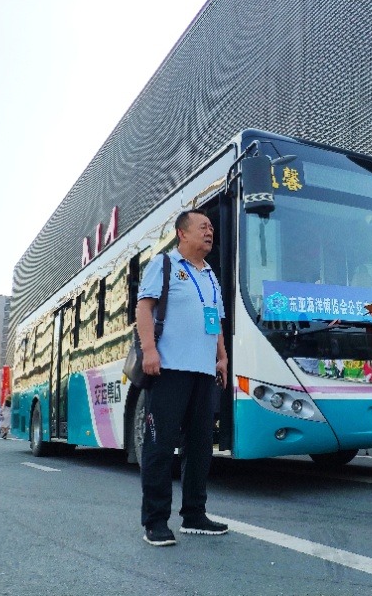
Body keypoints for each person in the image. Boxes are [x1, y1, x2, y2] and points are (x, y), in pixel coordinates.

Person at [136, 209, 229, 547]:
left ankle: (194, 515)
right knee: (160, 447)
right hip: (169, 370)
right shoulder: (165, 265)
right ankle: (155, 521)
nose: (210, 232)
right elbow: (144, 308)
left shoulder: (211, 276)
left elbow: (215, 320)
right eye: (203, 226)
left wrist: (221, 356)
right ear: (182, 233)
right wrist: (149, 350)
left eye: (212, 228)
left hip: (204, 375)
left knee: (201, 447)